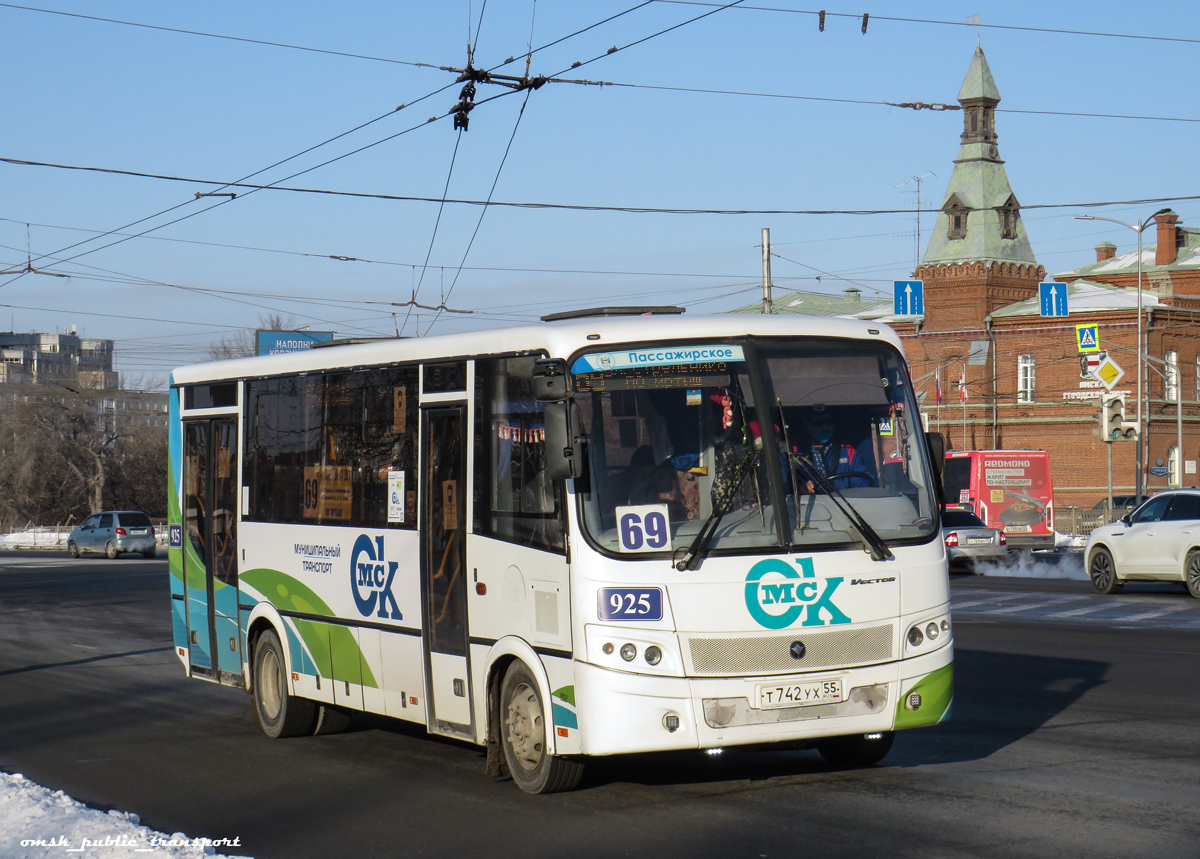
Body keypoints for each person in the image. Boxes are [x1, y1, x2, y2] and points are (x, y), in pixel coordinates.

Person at [794, 406, 877, 492]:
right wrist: (801, 486)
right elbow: (786, 481)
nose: (825, 427)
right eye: (818, 423)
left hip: (843, 502)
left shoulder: (847, 449)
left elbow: (862, 480)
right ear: (807, 424)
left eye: (829, 422)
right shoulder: (794, 450)